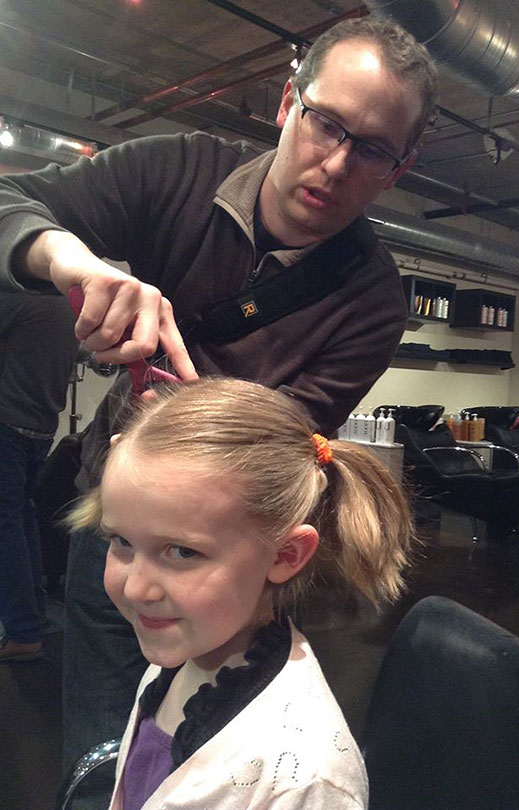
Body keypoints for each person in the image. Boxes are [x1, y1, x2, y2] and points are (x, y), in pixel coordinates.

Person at [0, 13, 438, 794]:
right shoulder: (175, 171)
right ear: (286, 103)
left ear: (398, 170)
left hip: (225, 562)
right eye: (324, 123)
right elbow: (14, 199)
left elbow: (279, 448)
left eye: (370, 149)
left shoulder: (370, 301)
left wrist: (178, 399)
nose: (335, 164)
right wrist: (73, 264)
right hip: (119, 520)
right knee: (108, 756)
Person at [67, 375, 416, 810]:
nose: (136, 587)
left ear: (285, 554)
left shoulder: (303, 782)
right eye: (120, 542)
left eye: (182, 552)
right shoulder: (183, 657)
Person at [0, 291, 78, 661]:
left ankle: (23, 631)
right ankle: (35, 614)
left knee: (5, 525)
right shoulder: (65, 302)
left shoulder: (17, 300)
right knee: (21, 516)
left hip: (7, 425)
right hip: (42, 425)